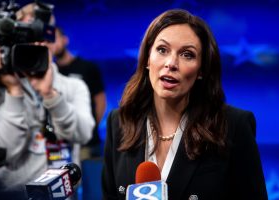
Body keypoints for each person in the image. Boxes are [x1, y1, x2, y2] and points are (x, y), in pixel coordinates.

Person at [102, 9, 268, 200]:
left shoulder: (233, 126)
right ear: (148, 58)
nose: (171, 63)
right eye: (162, 50)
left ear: (201, 71)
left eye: (187, 55)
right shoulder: (119, 121)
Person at [0, 3, 95, 199]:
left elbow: (83, 135)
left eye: (41, 35)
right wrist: (14, 90)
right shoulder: (0, 88)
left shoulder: (74, 87)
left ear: (53, 38)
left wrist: (50, 94)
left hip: (62, 194)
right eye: (25, 37)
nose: (36, 44)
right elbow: (5, 154)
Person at [49, 27, 107, 159]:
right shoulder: (48, 73)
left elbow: (100, 101)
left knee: (92, 178)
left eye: (55, 37)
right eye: (49, 39)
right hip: (58, 145)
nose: (52, 43)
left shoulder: (87, 67)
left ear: (65, 40)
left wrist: (88, 126)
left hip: (88, 142)